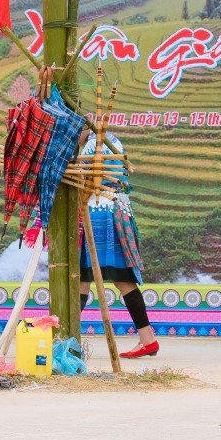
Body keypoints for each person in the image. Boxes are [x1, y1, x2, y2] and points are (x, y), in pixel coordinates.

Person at [74, 128, 161, 358]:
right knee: (118, 279)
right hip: (116, 210)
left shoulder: (94, 146)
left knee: (84, 278)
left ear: (84, 128)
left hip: (101, 213)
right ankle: (147, 339)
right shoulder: (110, 141)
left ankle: (67, 339)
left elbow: (82, 177)